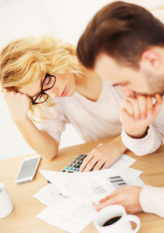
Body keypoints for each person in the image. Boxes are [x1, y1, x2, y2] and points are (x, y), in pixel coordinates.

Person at [76, 1, 164, 220]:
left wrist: (145, 199)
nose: (127, 94)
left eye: (124, 82)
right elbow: (159, 130)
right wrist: (135, 130)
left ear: (151, 60)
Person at [0, 35, 128, 171]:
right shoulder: (51, 96)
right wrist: (20, 120)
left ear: (53, 58)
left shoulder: (104, 60)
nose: (53, 94)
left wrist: (119, 144)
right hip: (115, 163)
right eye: (39, 94)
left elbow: (153, 115)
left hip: (144, 146)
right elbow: (48, 152)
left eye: (47, 82)